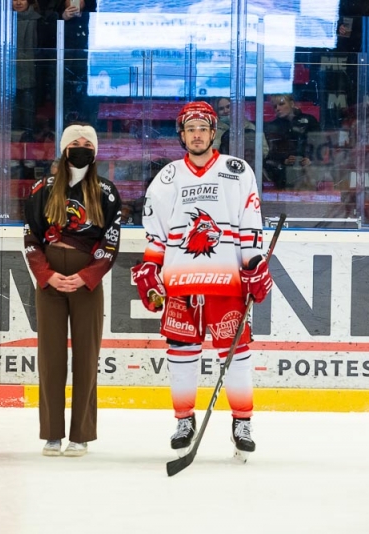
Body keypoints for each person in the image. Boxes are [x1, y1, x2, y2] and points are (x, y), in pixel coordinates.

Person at [130, 101, 271, 462]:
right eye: (189, 129)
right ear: (182, 135)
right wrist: (149, 269)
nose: (196, 134)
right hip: (180, 282)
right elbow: (156, 235)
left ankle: (242, 422)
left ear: (213, 132)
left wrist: (254, 265)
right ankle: (183, 420)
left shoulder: (237, 171)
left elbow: (250, 226)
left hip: (226, 281)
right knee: (181, 353)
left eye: (202, 128)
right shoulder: (167, 177)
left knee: (236, 353)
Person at [23, 124, 122, 457]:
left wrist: (86, 276)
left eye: (87, 143)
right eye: (74, 143)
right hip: (50, 281)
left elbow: (111, 241)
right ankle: (52, 432)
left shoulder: (106, 192)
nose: (81, 148)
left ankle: (81, 433)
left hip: (87, 282)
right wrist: (46, 274)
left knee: (86, 356)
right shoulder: (42, 189)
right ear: (63, 149)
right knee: (50, 356)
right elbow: (31, 239)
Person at [263, 94, 322, 190]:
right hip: (283, 173)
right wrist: (283, 160)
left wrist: (311, 159)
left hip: (308, 170)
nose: (277, 108)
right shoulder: (272, 126)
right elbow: (270, 153)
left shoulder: (310, 121)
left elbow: (319, 144)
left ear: (291, 103)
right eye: (275, 106)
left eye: (281, 104)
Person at [212, 97, 269, 163]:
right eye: (221, 109)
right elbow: (212, 152)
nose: (226, 111)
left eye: (228, 107)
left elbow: (264, 150)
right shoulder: (214, 130)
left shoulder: (250, 127)